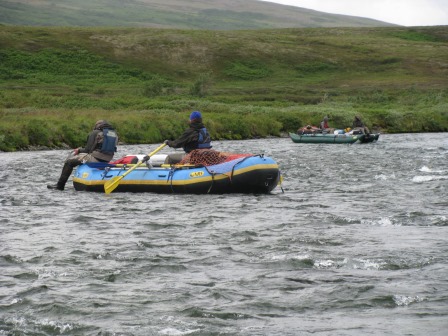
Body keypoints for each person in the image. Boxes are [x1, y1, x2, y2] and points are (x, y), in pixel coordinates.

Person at [47, 120, 118, 190]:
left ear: (97, 125)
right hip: (107, 160)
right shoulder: (113, 134)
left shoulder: (95, 133)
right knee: (83, 157)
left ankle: (60, 186)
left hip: (95, 159)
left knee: (69, 162)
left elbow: (88, 150)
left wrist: (79, 150)